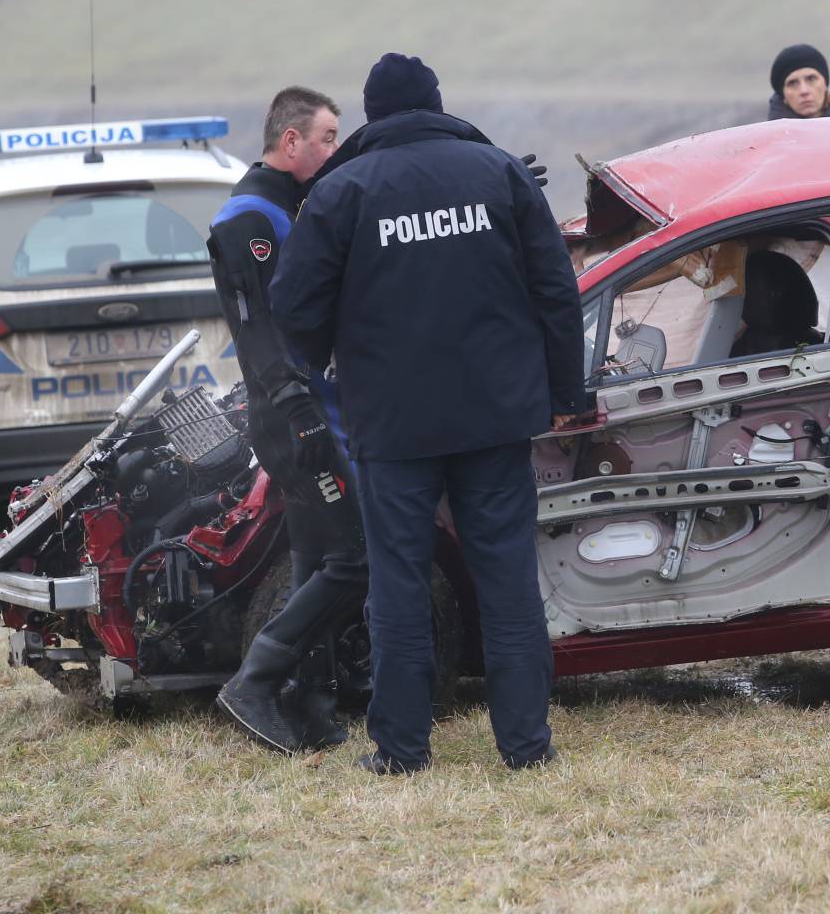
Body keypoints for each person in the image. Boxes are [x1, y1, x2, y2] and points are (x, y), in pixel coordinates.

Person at [270, 53, 590, 774]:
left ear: (374, 114)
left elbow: (292, 304)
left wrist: (328, 357)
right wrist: (567, 394)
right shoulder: (499, 173)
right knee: (507, 579)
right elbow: (555, 290)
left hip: (392, 423)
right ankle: (525, 745)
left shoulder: (342, 189)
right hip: (496, 415)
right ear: (438, 104)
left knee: (399, 586)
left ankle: (403, 749)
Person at [210, 86, 368, 754]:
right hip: (294, 419)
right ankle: (255, 681)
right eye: (328, 137)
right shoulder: (250, 215)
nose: (334, 148)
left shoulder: (291, 205)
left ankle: (312, 702)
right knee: (357, 558)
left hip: (311, 413)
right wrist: (298, 412)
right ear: (292, 140)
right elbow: (260, 334)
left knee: (314, 559)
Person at [767, 44, 830, 120]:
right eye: (792, 83)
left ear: (825, 84)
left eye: (811, 79)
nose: (804, 91)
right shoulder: (766, 135)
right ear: (783, 95)